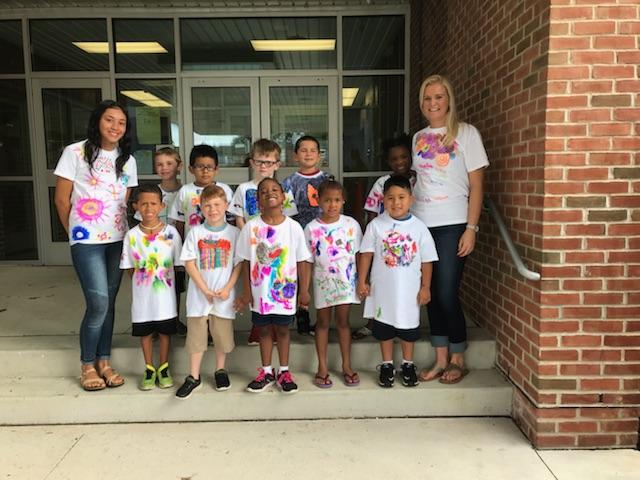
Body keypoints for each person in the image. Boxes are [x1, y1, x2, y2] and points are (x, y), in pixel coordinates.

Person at [54, 99, 138, 391]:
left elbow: (122, 202)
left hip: (116, 239)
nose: (115, 127)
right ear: (97, 122)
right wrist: (74, 233)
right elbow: (62, 200)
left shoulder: (127, 160)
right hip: (86, 242)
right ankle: (87, 364)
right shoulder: (75, 152)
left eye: (121, 122)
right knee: (98, 302)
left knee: (111, 302)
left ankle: (104, 360)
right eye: (109, 120)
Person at [412, 74, 489, 384]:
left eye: (439, 97)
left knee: (446, 291)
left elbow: (477, 186)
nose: (433, 103)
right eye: (428, 98)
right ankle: (440, 358)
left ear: (449, 100)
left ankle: (458, 357)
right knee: (429, 293)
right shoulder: (418, 137)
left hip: (453, 223)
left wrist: (471, 228)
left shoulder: (467, 134)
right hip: (421, 223)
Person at [357, 175, 438, 388]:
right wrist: (362, 280)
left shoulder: (419, 228)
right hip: (382, 290)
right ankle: (386, 364)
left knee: (408, 329)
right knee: (383, 328)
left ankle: (408, 365)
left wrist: (426, 287)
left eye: (401, 197)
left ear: (411, 199)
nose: (396, 202)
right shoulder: (376, 225)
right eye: (391, 198)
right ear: (383, 200)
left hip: (409, 292)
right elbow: (366, 254)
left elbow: (428, 260)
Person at [236, 178, 311, 394]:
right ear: (258, 201)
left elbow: (302, 261)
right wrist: (247, 291)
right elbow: (245, 261)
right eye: (264, 191)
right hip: (260, 295)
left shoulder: (293, 227)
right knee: (264, 331)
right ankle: (267, 371)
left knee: (283, 330)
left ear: (284, 197)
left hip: (284, 293)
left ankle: (284, 371)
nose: (270, 193)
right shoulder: (251, 227)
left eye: (275, 189)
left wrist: (304, 290)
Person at [176, 185, 243, 399]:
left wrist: (227, 288)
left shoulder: (234, 233)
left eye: (217, 205)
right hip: (199, 295)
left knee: (221, 334)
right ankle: (193, 376)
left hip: (223, 294)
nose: (212, 209)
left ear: (226, 206)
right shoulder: (196, 232)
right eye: (207, 205)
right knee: (196, 335)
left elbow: (238, 264)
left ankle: (220, 369)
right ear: (201, 208)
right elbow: (189, 262)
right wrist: (204, 289)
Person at [228, 140, 297, 346]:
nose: (264, 166)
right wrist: (248, 237)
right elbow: (238, 215)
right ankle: (257, 328)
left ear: (278, 164)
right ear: (252, 162)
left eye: (268, 162)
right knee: (255, 286)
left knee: (275, 285)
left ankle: (277, 328)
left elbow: (288, 218)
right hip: (253, 245)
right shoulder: (244, 188)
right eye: (259, 162)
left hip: (277, 248)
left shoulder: (283, 190)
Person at [353, 133, 416, 341]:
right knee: (380, 284)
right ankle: (374, 322)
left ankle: (405, 324)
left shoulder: (420, 180)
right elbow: (371, 212)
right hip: (384, 242)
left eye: (404, 157)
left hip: (410, 243)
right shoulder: (382, 183)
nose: (400, 162)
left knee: (407, 285)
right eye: (395, 159)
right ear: (389, 161)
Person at [120, 184, 183, 390]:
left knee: (165, 333)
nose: (149, 208)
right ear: (136, 206)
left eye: (153, 203)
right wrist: (143, 281)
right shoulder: (131, 236)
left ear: (162, 206)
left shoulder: (171, 233)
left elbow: (178, 264)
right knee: (145, 332)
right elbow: (129, 266)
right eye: (144, 203)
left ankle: (163, 367)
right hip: (142, 297)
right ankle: (149, 368)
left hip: (165, 297)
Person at [304, 180, 362, 388]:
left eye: (337, 200)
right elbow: (307, 261)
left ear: (343, 201)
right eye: (327, 200)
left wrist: (363, 281)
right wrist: (305, 289)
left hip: (346, 282)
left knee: (344, 322)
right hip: (323, 284)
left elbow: (360, 255)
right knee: (322, 323)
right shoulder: (311, 228)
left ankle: (347, 365)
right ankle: (322, 367)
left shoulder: (351, 225)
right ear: (318, 201)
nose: (332, 204)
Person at [281, 135, 333, 335]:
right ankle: (302, 311)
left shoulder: (327, 180)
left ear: (319, 155)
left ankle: (322, 320)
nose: (309, 154)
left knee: (321, 274)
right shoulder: (289, 182)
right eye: (304, 150)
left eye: (313, 150)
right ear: (295, 156)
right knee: (302, 274)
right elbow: (287, 215)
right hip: (300, 235)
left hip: (325, 236)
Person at [134, 147, 187, 335]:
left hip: (176, 246)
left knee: (176, 284)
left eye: (169, 163)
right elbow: (141, 220)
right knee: (154, 285)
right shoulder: (151, 193)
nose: (164, 168)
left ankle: (173, 319)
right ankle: (154, 322)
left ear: (179, 166)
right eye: (159, 164)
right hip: (153, 250)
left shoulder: (186, 191)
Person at [168, 144, 233, 241]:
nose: (205, 171)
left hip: (221, 242)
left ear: (216, 169)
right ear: (191, 169)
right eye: (200, 166)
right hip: (192, 243)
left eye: (209, 167)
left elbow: (231, 219)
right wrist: (181, 244)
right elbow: (179, 221)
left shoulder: (224, 189)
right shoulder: (185, 191)